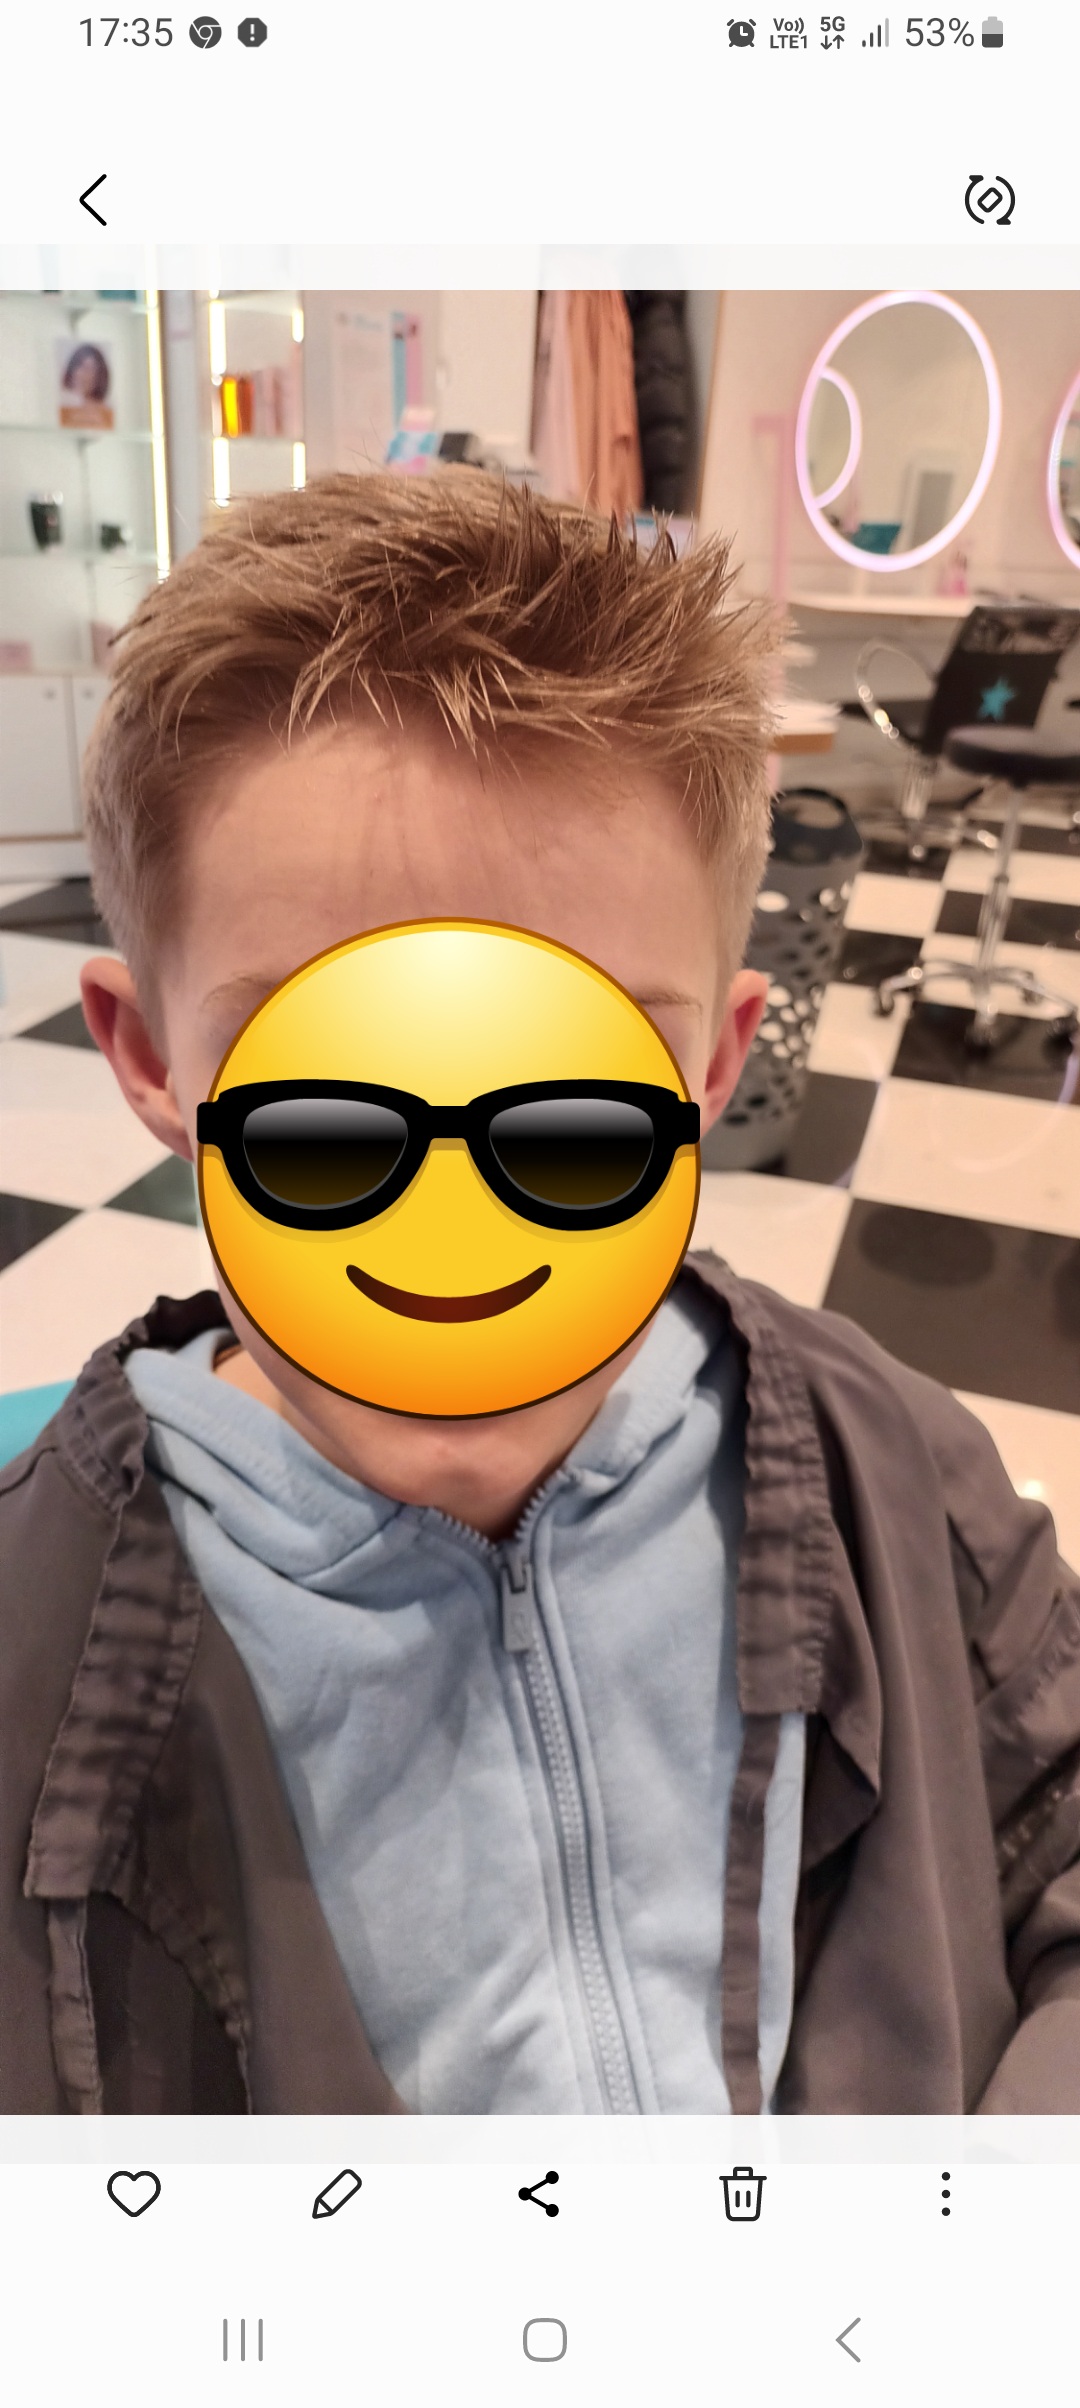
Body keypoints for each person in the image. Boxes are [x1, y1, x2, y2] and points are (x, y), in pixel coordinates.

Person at [1, 471, 1077, 2115]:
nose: (456, 1231)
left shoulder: (898, 1479)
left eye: (572, 1118)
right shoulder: (32, 1644)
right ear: (151, 1059)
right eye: (331, 1118)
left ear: (711, 1066)